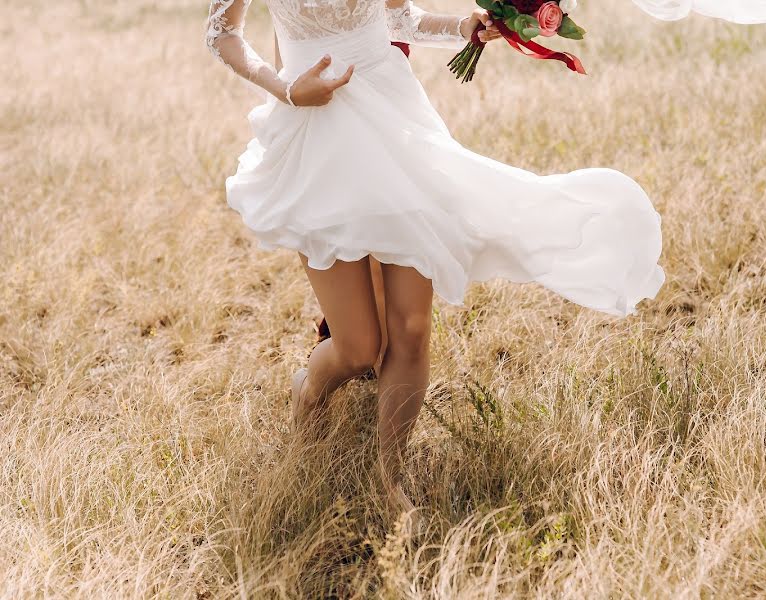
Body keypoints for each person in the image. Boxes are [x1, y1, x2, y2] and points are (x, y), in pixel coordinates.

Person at [207, 0, 668, 517]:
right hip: (314, 129)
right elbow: (222, 31)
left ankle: (389, 478)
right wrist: (287, 89)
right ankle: (309, 390)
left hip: (394, 118)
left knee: (411, 327)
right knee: (358, 347)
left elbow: (401, 19)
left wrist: (464, 27)